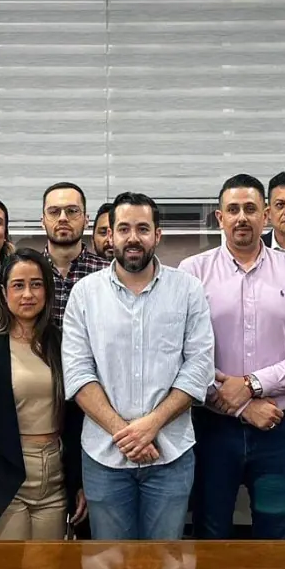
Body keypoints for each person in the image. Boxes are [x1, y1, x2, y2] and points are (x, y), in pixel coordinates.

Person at [62, 192, 215, 540]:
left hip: (170, 455)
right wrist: (126, 433)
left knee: (164, 568)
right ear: (109, 235)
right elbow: (78, 372)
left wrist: (151, 426)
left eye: (143, 229)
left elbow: (199, 367)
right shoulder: (85, 294)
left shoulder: (188, 290)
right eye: (124, 229)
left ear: (157, 236)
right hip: (104, 458)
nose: (133, 238)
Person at [180, 174, 285, 539]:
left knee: (275, 533)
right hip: (213, 431)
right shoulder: (192, 273)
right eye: (233, 210)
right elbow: (184, 353)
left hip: (277, 431)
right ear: (219, 218)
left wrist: (252, 386)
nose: (241, 217)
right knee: (211, 532)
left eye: (250, 209)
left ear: (265, 215)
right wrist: (243, 406)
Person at [0, 250, 87, 539]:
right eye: (18, 285)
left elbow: (76, 418)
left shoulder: (61, 343)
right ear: (3, 292)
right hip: (3, 474)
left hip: (54, 475)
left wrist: (78, 482)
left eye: (36, 284)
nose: (28, 294)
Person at [39, 182, 108, 329]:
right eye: (53, 212)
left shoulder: (108, 273)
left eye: (72, 211)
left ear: (86, 221)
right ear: (42, 221)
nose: (63, 218)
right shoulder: (29, 271)